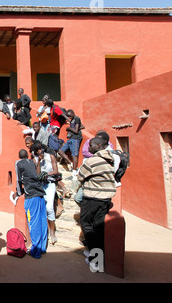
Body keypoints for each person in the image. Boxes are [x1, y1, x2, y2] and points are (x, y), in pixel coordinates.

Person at [77, 137, 117, 271]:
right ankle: (96, 260)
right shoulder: (110, 158)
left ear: (99, 145)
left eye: (91, 146)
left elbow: (80, 176)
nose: (88, 148)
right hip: (105, 199)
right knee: (98, 228)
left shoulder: (93, 161)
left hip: (92, 198)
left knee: (86, 225)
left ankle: (94, 255)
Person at [14, 149, 48, 258]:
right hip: (40, 193)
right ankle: (42, 247)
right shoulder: (31, 162)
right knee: (42, 220)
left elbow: (18, 180)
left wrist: (19, 193)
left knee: (33, 222)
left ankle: (36, 251)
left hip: (31, 197)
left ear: (19, 156)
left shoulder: (18, 164)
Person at [31, 141, 60, 245]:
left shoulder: (50, 156)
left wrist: (46, 173)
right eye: (37, 150)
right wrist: (39, 162)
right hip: (41, 185)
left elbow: (56, 171)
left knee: (49, 208)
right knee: (41, 208)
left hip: (50, 184)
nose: (40, 151)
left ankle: (52, 232)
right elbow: (37, 174)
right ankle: (45, 231)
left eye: (40, 148)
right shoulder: (36, 159)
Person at [58, 109, 84, 176]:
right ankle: (71, 163)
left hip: (75, 139)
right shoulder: (72, 120)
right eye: (68, 116)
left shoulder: (77, 118)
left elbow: (76, 131)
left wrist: (69, 128)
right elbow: (82, 126)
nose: (69, 117)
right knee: (61, 151)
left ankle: (74, 171)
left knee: (74, 154)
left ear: (73, 113)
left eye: (70, 115)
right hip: (70, 138)